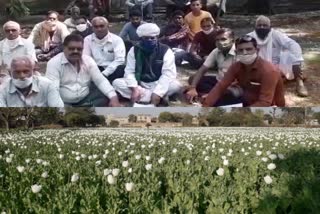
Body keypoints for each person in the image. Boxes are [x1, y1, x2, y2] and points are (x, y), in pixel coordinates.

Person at [203, 35, 285, 107]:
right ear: (236, 52)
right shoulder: (236, 66)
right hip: (245, 101)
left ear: (257, 50)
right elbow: (221, 86)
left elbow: (265, 102)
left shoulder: (269, 71)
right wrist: (206, 105)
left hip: (267, 106)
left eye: (249, 49)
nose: (245, 53)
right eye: (241, 50)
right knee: (215, 103)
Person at [113, 23, 182, 106]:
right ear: (141, 38)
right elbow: (129, 71)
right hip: (140, 83)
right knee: (117, 83)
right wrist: (134, 89)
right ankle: (159, 98)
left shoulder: (166, 50)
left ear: (157, 37)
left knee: (176, 85)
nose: (149, 40)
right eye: (146, 38)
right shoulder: (134, 50)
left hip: (158, 82)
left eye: (152, 38)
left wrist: (157, 92)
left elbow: (167, 74)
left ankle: (147, 98)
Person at [46, 34, 121, 107]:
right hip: (64, 102)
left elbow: (100, 80)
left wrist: (114, 98)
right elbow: (53, 91)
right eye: (71, 48)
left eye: (79, 49)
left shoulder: (88, 60)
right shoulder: (54, 63)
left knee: (107, 93)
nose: (75, 51)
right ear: (64, 48)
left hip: (85, 98)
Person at [248, 15, 308, 97]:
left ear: (270, 27)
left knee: (292, 56)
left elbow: (292, 44)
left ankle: (299, 83)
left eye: (265, 25)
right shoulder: (249, 37)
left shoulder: (276, 34)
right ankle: (282, 79)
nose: (262, 27)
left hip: (277, 64)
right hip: (258, 67)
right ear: (255, 27)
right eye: (259, 25)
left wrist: (297, 56)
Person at [185, 28, 241, 105]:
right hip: (219, 81)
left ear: (232, 40)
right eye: (217, 40)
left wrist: (214, 94)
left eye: (223, 39)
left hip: (232, 87)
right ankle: (204, 94)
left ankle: (209, 96)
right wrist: (193, 88)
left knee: (228, 97)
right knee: (193, 79)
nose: (219, 42)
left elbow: (237, 82)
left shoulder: (240, 53)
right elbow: (202, 70)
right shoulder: (216, 51)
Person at [83, 16, 126, 83]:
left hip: (112, 69)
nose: (99, 29)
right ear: (92, 28)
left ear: (108, 26)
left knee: (122, 69)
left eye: (102, 26)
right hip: (95, 69)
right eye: (96, 27)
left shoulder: (117, 40)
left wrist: (105, 73)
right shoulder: (87, 40)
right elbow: (86, 58)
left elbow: (120, 60)